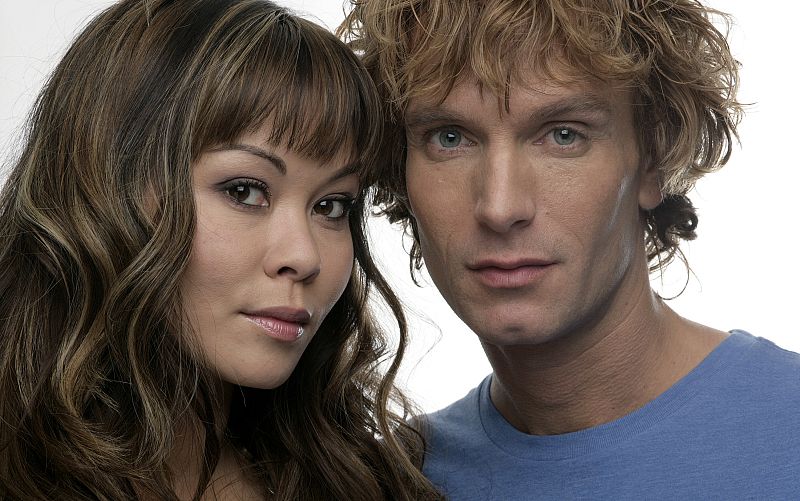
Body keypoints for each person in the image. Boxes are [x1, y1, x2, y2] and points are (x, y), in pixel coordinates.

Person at [339, 0, 800, 499]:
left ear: (653, 158)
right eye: (449, 139)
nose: (500, 206)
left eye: (563, 135)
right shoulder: (388, 481)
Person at [0, 0, 444, 499]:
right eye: (245, 191)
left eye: (331, 206)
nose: (305, 257)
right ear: (104, 190)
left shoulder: (366, 483)